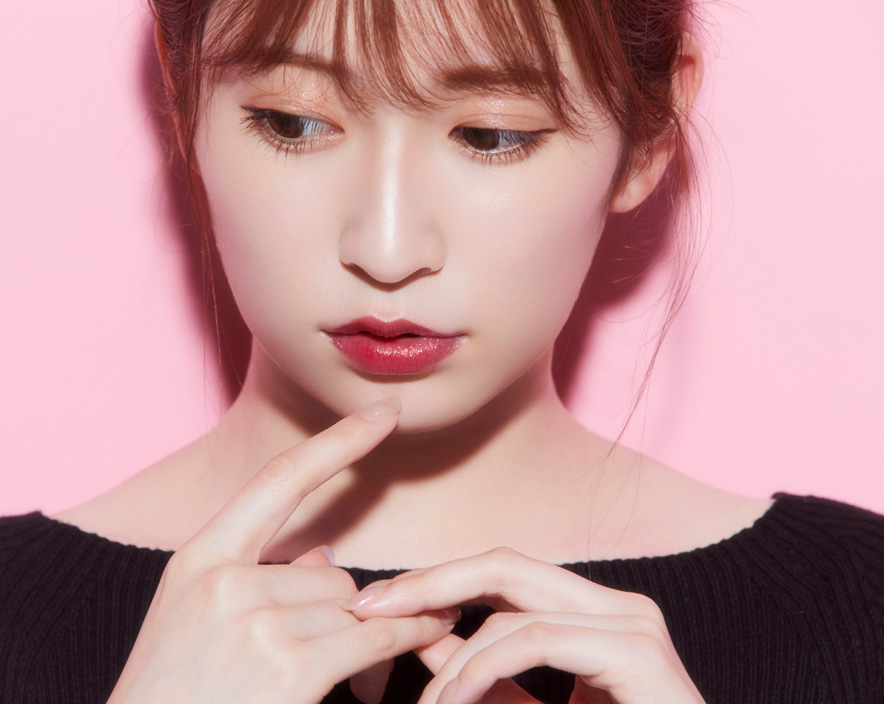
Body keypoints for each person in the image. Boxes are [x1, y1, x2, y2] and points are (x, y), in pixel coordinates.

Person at [1, 0, 881, 703]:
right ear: (182, 89)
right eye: (294, 123)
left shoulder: (856, 609)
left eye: (490, 134)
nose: (387, 250)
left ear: (650, 133)